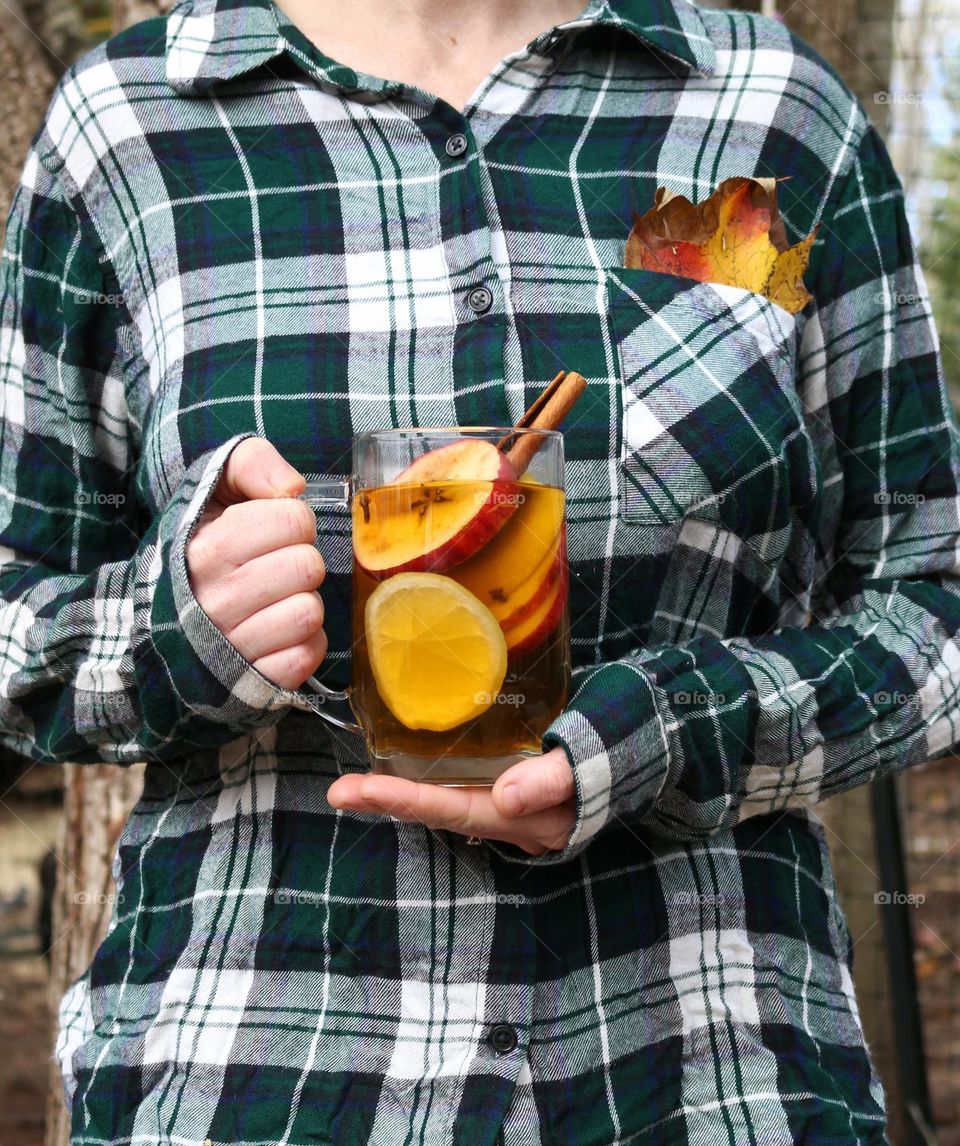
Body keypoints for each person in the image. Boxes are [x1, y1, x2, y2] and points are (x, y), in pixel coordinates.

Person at [1, 0, 956, 1141]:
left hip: (709, 1071)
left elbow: (932, 599)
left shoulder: (767, 113)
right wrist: (173, 628)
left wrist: (668, 730)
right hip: (258, 1078)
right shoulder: (127, 129)